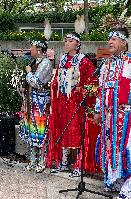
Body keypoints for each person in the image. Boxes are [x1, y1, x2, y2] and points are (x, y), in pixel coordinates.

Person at [94, 27, 131, 199]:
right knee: (110, 149)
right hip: (108, 117)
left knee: (128, 150)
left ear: (124, 42)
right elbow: (100, 90)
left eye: (114, 39)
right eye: (109, 39)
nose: (109, 42)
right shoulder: (106, 64)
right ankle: (116, 181)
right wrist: (98, 111)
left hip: (126, 115)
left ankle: (130, 189)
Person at [46, 32, 97, 176]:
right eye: (65, 41)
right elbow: (57, 79)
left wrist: (82, 91)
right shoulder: (62, 59)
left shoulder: (83, 60)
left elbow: (92, 82)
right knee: (63, 129)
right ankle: (64, 161)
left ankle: (78, 165)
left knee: (76, 131)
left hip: (76, 103)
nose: (66, 43)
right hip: (62, 102)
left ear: (77, 44)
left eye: (69, 41)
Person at [20, 39, 53, 173]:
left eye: (32, 47)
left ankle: (42, 161)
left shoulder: (45, 63)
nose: (30, 49)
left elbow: (37, 82)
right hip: (32, 101)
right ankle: (32, 160)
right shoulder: (36, 62)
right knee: (31, 131)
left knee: (40, 131)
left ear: (39, 49)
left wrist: (28, 72)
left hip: (41, 102)